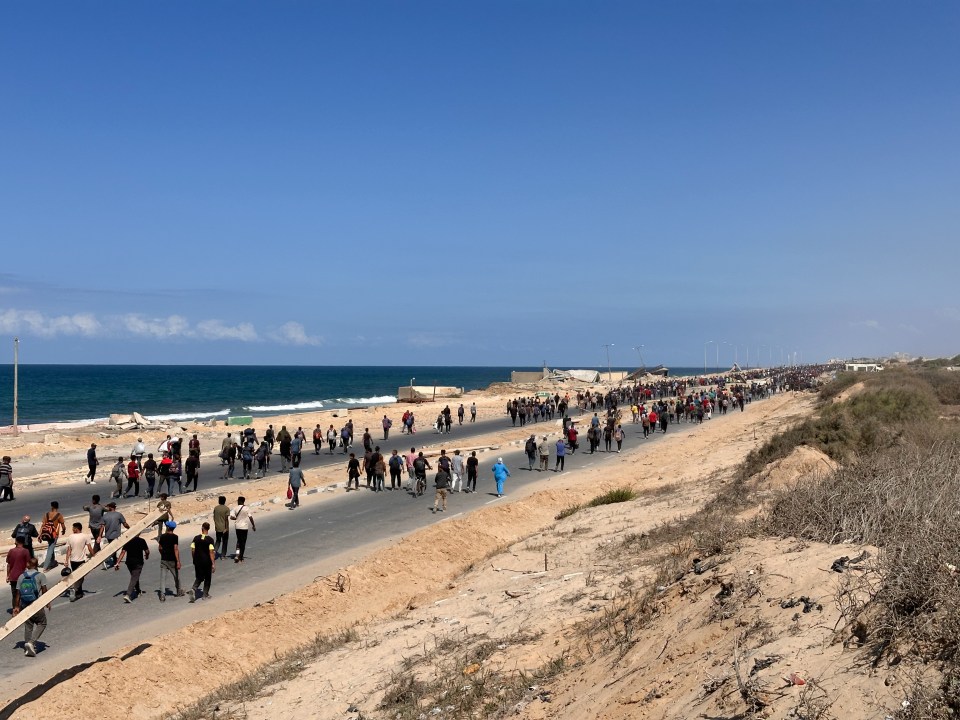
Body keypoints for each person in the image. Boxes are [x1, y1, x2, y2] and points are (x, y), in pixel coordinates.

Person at [13, 558, 49, 657]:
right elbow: (44, 590)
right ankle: (31, 643)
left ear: (28, 564)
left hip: (24, 604)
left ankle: (27, 648)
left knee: (28, 626)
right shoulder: (40, 575)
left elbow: (18, 593)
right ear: (36, 565)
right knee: (42, 623)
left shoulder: (21, 576)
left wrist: (16, 606)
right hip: (36, 604)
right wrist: (47, 602)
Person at [115, 530, 149, 602]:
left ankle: (138, 591)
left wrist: (117, 562)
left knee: (135, 576)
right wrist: (147, 556)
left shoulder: (128, 541)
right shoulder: (142, 541)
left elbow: (123, 552)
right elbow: (147, 551)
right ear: (139, 532)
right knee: (134, 577)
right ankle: (128, 594)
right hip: (138, 562)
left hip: (129, 563)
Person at [64, 522, 93, 602]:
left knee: (77, 576)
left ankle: (79, 593)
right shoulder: (85, 536)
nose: (72, 529)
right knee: (81, 576)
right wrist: (95, 556)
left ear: (76, 529)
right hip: (81, 560)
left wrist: (66, 560)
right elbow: (90, 548)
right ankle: (75, 589)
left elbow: (68, 550)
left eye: (73, 528)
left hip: (73, 560)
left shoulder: (70, 537)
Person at [188, 522, 216, 602]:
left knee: (199, 576)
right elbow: (211, 552)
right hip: (206, 562)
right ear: (208, 529)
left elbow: (193, 549)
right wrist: (213, 563)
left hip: (197, 561)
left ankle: (194, 588)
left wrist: (194, 558)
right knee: (207, 578)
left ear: (202, 528)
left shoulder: (196, 538)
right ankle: (205, 594)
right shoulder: (210, 540)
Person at [157, 520, 183, 601]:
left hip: (164, 559)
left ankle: (162, 595)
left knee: (163, 577)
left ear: (168, 527)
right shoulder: (175, 537)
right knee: (176, 577)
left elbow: (160, 548)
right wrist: (178, 561)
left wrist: (163, 554)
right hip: (172, 560)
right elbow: (176, 549)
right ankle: (178, 591)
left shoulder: (162, 536)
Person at [99, 502, 129, 569]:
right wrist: (130, 528)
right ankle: (107, 559)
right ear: (114, 507)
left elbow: (102, 527)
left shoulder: (105, 516)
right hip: (117, 536)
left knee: (113, 549)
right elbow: (125, 524)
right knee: (121, 548)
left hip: (109, 536)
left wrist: (100, 536)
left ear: (110, 507)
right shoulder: (119, 515)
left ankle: (115, 560)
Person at [39, 502, 66, 571]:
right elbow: (63, 525)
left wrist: (40, 534)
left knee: (51, 546)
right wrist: (64, 530)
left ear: (51, 506)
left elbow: (43, 525)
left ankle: (52, 562)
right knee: (50, 549)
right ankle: (46, 566)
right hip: (54, 535)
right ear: (57, 507)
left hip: (46, 533)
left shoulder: (46, 514)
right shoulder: (59, 515)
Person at [6, 535, 30, 611]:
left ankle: (15, 609)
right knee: (23, 594)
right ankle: (22, 609)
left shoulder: (11, 551)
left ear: (16, 542)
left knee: (14, 595)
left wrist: (7, 575)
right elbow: (28, 564)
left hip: (13, 577)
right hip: (22, 577)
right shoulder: (25, 551)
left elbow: (8, 564)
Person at [230, 497, 255, 563]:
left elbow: (231, 517)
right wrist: (253, 525)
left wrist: (236, 518)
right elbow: (250, 517)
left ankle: (237, 555)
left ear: (239, 501)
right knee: (243, 542)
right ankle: (241, 557)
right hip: (244, 527)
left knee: (239, 541)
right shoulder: (246, 508)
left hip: (237, 527)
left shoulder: (235, 508)